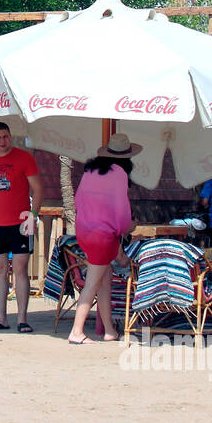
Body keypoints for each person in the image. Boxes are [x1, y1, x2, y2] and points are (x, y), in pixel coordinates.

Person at [66, 134, 141, 344]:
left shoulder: (90, 171)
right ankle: (76, 331)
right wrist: (128, 226)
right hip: (104, 235)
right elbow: (121, 210)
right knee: (92, 284)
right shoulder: (119, 175)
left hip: (85, 231)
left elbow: (79, 200)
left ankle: (109, 330)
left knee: (103, 282)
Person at [0, 122, 42, 333]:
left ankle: (22, 318)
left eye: (6, 136)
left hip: (20, 223)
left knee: (20, 270)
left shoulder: (24, 158)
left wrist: (33, 215)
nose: (3, 141)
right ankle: (1, 318)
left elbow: (38, 189)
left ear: (10, 136)